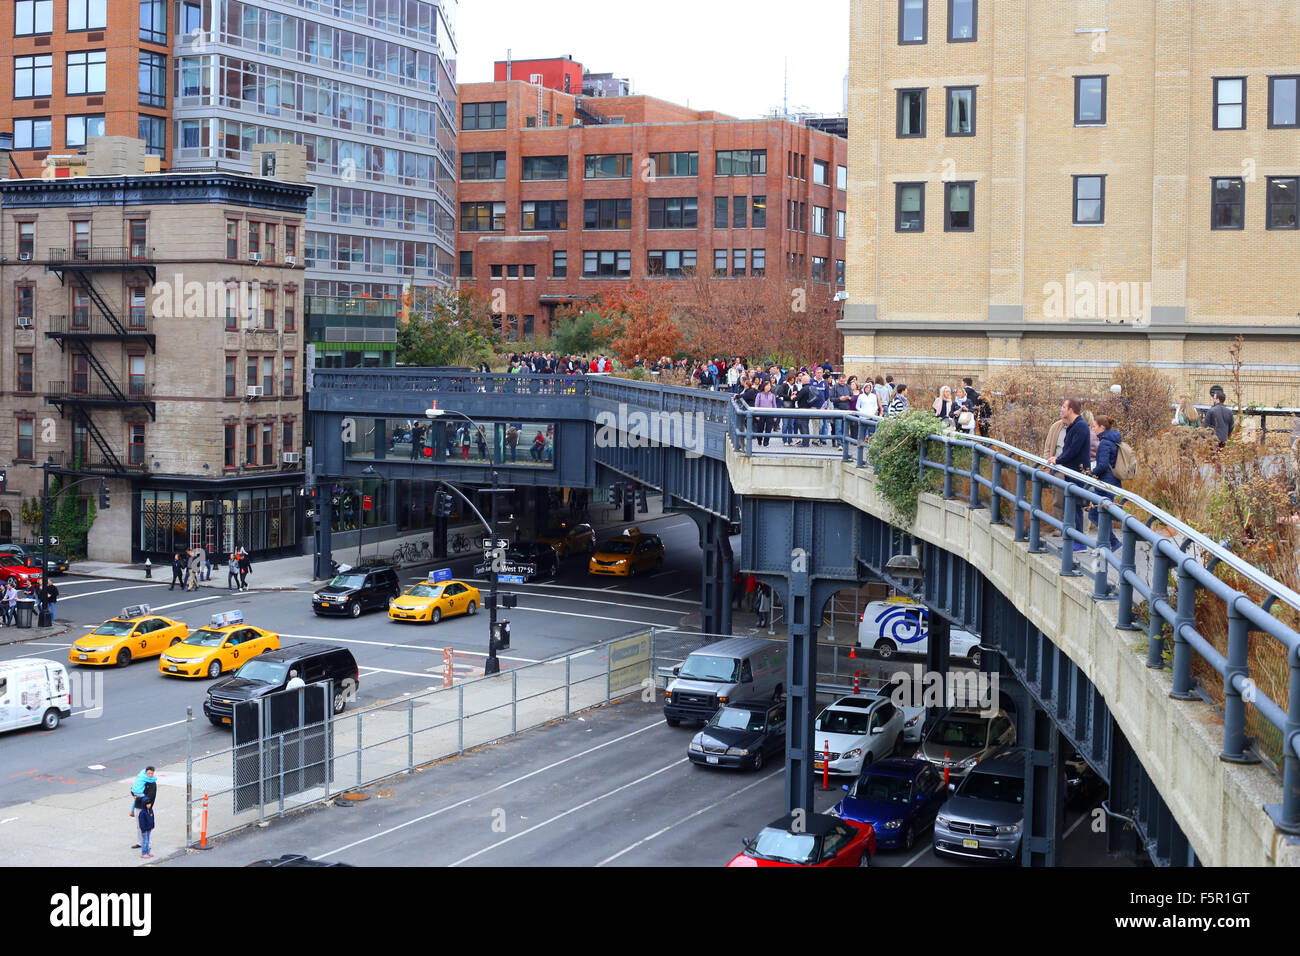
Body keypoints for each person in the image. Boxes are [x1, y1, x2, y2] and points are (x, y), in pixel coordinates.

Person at [1048, 398, 1092, 551]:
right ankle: (1074, 540)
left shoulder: (1081, 426)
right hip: (1070, 472)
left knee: (1075, 507)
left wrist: (1058, 459)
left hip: (1077, 473)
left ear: (1071, 410)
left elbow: (1073, 450)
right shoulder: (1074, 426)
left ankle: (1079, 542)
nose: (1061, 409)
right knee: (1071, 507)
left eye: (1064, 406)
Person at [1089, 415, 1124, 550]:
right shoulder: (1112, 440)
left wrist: (1091, 474)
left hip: (1105, 483)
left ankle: (1112, 542)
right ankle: (1110, 543)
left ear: (1102, 427)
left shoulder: (1104, 443)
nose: (1093, 429)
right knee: (1103, 514)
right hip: (1112, 482)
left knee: (1096, 514)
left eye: (1095, 426)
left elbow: (1103, 465)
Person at [133, 766, 157, 854]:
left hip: (146, 808)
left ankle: (148, 844)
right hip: (137, 807)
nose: (150, 775)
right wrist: (136, 796)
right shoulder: (141, 780)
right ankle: (139, 842)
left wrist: (138, 798)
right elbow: (133, 790)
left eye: (151, 773)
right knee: (139, 826)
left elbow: (150, 797)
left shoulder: (152, 784)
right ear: (145, 773)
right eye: (148, 773)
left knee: (147, 827)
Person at [754, 379, 778, 446]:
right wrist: (756, 414)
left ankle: (766, 442)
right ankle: (759, 440)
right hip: (761, 413)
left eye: (769, 385)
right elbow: (756, 405)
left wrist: (775, 415)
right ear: (764, 386)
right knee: (760, 428)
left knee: (768, 429)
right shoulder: (759, 394)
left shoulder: (772, 395)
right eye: (767, 385)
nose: (768, 387)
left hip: (770, 414)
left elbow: (774, 405)